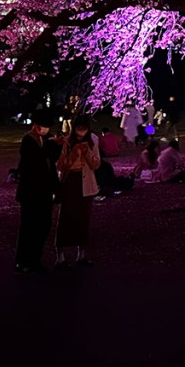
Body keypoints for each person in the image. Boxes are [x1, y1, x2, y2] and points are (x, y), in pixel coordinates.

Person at [14, 108, 59, 274]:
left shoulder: (45, 139)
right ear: (36, 125)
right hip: (31, 192)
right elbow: (35, 160)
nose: (46, 130)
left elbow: (51, 160)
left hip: (44, 191)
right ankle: (24, 260)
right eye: (43, 127)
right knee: (29, 227)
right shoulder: (28, 140)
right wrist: (52, 145)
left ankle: (35, 258)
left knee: (43, 226)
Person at [55, 114, 101, 267]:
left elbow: (96, 164)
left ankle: (81, 254)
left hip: (85, 182)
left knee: (83, 219)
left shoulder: (92, 141)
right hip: (70, 181)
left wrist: (87, 151)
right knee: (66, 218)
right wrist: (74, 153)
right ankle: (60, 255)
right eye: (78, 129)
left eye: (84, 129)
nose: (81, 132)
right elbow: (60, 165)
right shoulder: (67, 141)